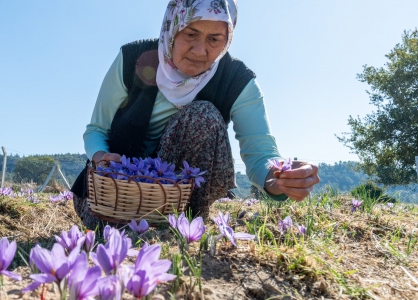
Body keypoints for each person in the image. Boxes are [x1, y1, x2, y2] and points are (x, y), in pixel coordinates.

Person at [71, 0, 320, 228]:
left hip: (181, 203)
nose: (200, 51)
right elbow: (96, 130)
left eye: (214, 39)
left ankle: (187, 219)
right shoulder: (133, 58)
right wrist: (102, 157)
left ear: (228, 38)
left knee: (203, 115)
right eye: (190, 34)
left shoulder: (237, 81)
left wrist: (278, 179)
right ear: (172, 27)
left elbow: (260, 152)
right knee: (114, 229)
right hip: (113, 197)